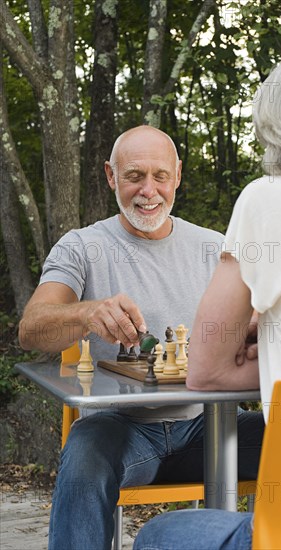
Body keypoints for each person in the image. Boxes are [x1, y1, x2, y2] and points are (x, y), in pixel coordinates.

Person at [133, 43, 281, 550]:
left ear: (280, 123)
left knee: (158, 535)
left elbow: (206, 371)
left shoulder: (272, 199)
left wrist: (271, 349)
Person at [19, 125, 264, 550]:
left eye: (160, 176)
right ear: (111, 176)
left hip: (209, 426)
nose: (148, 191)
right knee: (84, 458)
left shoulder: (215, 247)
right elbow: (32, 330)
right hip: (123, 431)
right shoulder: (81, 247)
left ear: (178, 176)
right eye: (134, 176)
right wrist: (87, 312)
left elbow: (259, 324)